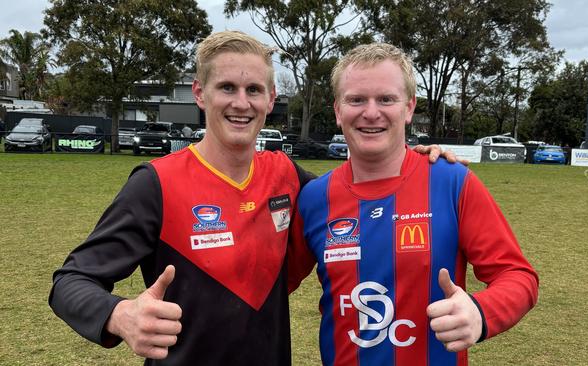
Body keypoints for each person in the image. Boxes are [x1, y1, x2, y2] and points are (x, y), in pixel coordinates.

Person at [49, 31, 458, 365]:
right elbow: (70, 282)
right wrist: (120, 315)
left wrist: (411, 162)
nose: (241, 103)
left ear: (271, 99)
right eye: (227, 87)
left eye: (253, 89)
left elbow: (357, 197)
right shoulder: (156, 183)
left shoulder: (285, 175)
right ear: (199, 93)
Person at [287, 43, 539, 366]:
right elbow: (270, 287)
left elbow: (518, 275)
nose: (371, 112)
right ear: (338, 111)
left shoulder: (452, 182)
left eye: (386, 99)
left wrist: (480, 311)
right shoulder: (314, 199)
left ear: (409, 107)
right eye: (356, 99)